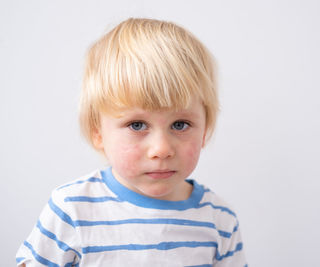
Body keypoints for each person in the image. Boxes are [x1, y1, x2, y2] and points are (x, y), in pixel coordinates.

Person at [16, 18, 247, 266]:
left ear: (205, 131)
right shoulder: (72, 210)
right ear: (98, 132)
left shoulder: (219, 220)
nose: (161, 149)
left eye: (180, 125)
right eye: (137, 125)